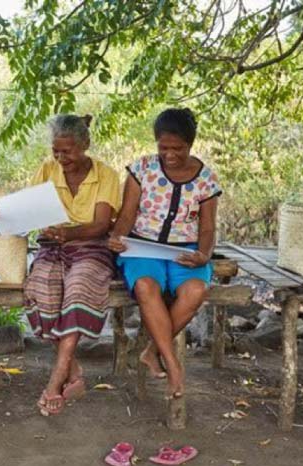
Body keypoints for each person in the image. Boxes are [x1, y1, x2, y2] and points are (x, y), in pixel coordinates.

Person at [108, 108, 221, 399]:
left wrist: (204, 255)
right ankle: (172, 363)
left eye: (178, 148)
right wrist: (117, 238)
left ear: (191, 144)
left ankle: (151, 351)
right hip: (142, 247)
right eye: (163, 147)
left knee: (196, 291)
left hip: (186, 252)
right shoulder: (142, 169)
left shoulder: (206, 179)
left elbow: (207, 229)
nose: (170, 154)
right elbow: (127, 215)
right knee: (147, 286)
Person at [24, 114, 122, 415]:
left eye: (67, 151)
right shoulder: (46, 170)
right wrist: (44, 227)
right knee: (41, 289)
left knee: (79, 288)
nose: (60, 158)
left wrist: (69, 232)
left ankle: (56, 378)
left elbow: (101, 224)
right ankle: (74, 369)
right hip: (53, 246)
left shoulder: (105, 175)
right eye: (56, 151)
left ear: (85, 145)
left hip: (92, 245)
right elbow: (33, 212)